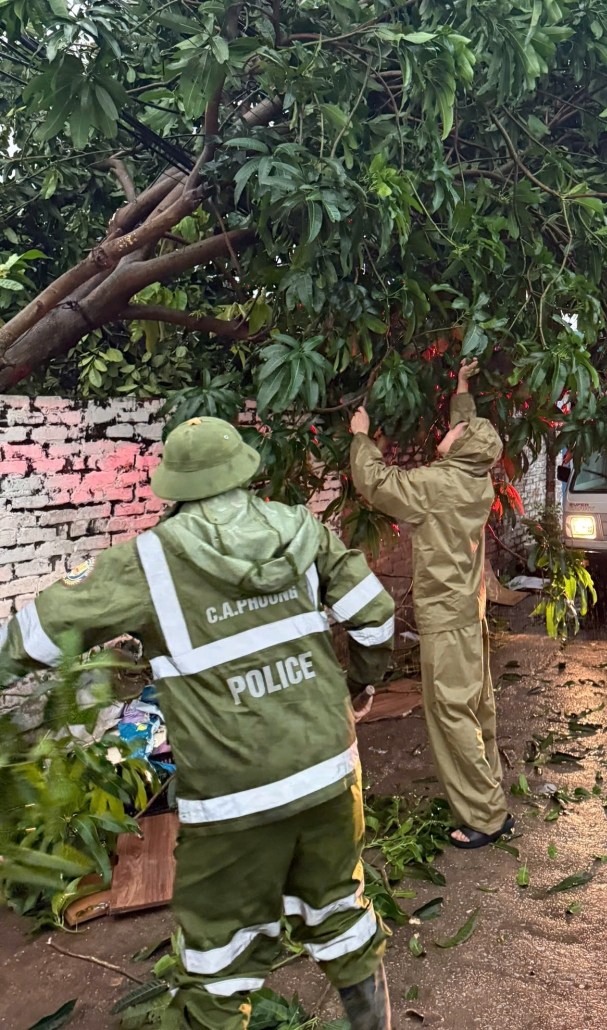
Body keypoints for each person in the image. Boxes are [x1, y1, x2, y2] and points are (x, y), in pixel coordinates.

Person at [0, 417, 396, 1030]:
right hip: (328, 770)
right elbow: (375, 618)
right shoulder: (304, 530)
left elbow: (33, 636)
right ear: (243, 471)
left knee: (219, 959)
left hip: (235, 796)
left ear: (174, 485)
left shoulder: (147, 563)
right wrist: (354, 686)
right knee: (341, 914)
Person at [350, 359, 513, 850]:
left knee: (451, 715)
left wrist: (361, 437)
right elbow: (468, 434)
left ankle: (485, 817)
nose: (448, 430)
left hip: (446, 619)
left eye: (454, 429)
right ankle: (490, 799)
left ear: (461, 444)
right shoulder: (474, 478)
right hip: (468, 613)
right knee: (475, 709)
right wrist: (462, 388)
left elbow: (377, 483)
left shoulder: (437, 484)